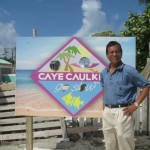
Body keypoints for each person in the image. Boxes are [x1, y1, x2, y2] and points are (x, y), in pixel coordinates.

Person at [100, 41, 150, 150]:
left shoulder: (129, 70)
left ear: (121, 53)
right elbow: (104, 87)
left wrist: (136, 104)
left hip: (123, 111)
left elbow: (146, 86)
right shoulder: (104, 72)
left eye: (117, 51)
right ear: (107, 55)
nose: (114, 54)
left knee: (125, 141)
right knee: (109, 142)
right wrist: (104, 104)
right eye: (111, 52)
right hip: (108, 112)